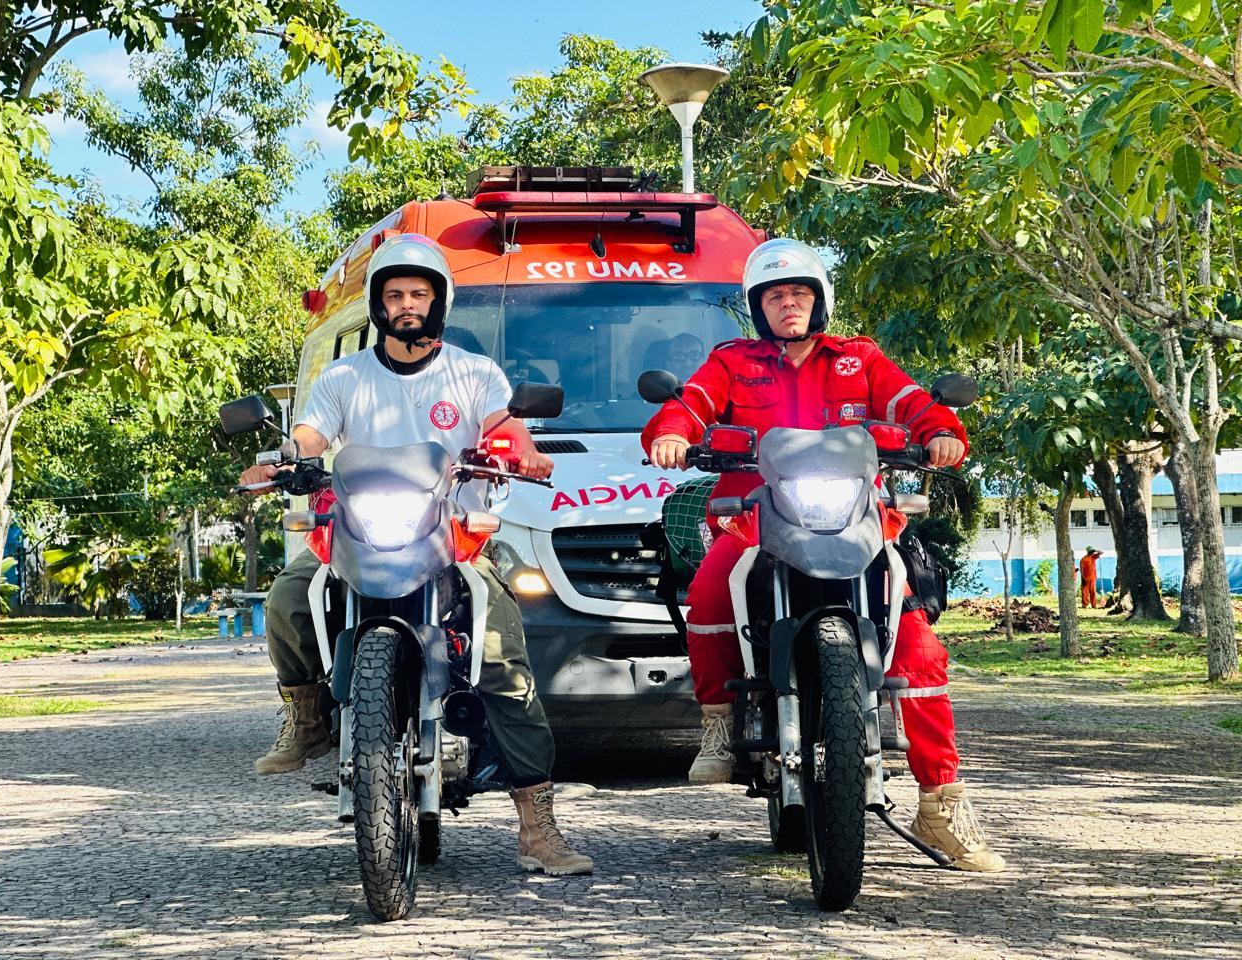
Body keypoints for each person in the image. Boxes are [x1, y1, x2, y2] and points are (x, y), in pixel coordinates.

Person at [641, 238, 1005, 873]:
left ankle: (941, 803)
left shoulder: (859, 358)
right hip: (755, 514)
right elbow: (690, 404)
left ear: (820, 301)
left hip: (857, 516)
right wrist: (672, 434)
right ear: (758, 306)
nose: (789, 304)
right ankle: (719, 723)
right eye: (776, 296)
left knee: (919, 647)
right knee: (709, 590)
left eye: (799, 294)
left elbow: (910, 402)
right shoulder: (733, 361)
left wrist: (941, 431)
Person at [238, 234, 592, 877]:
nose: (407, 304)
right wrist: (286, 457)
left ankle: (537, 827)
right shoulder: (345, 376)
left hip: (452, 537)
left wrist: (523, 449)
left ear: (438, 302)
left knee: (503, 659)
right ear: (379, 304)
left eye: (419, 294)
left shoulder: (474, 373)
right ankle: (307, 714)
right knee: (289, 596)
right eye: (396, 294)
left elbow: (504, 425)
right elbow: (311, 433)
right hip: (359, 531)